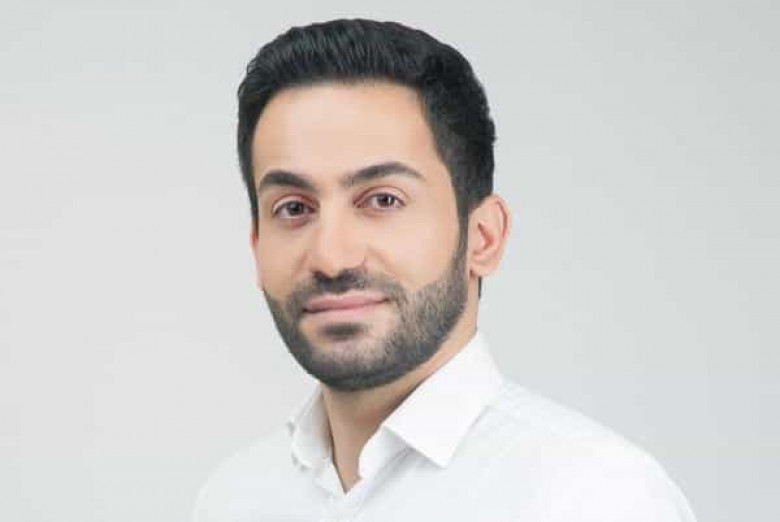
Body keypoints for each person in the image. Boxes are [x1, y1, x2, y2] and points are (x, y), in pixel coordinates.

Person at [192, 18, 697, 522]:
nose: (331, 257)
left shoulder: (599, 498)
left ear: (483, 237)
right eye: (293, 208)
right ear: (257, 247)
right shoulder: (232, 500)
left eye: (383, 200)